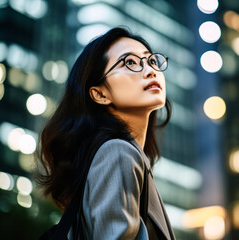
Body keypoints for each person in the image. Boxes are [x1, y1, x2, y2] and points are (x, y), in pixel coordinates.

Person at [35, 27, 175, 240]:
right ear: (100, 94)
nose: (150, 70)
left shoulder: (120, 156)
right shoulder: (117, 152)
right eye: (130, 62)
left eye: (152, 61)